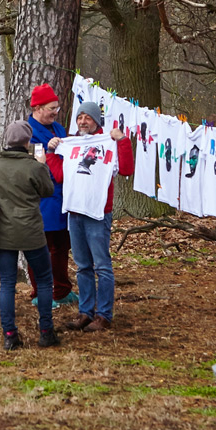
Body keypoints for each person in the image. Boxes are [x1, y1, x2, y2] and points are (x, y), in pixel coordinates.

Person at [66, 101, 133, 332]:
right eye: (80, 117)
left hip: (97, 213)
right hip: (74, 211)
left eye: (87, 118)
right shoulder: (71, 142)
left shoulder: (109, 142)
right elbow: (56, 172)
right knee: (82, 265)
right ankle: (86, 312)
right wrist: (54, 149)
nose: (83, 122)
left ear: (96, 121)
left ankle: (104, 314)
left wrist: (122, 141)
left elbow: (126, 169)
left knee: (102, 266)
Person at [0, 120, 58, 350]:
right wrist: (43, 165)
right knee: (44, 280)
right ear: (27, 142)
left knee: (7, 283)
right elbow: (48, 190)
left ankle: (10, 334)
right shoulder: (34, 166)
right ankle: (46, 332)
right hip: (31, 231)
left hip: (3, 232)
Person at [26, 84, 74, 307]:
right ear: (37, 108)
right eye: (51, 108)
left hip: (64, 197)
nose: (55, 111)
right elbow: (31, 166)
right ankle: (40, 292)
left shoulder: (59, 129)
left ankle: (62, 290)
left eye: (57, 107)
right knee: (41, 248)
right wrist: (50, 150)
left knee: (62, 246)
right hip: (42, 199)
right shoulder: (28, 132)